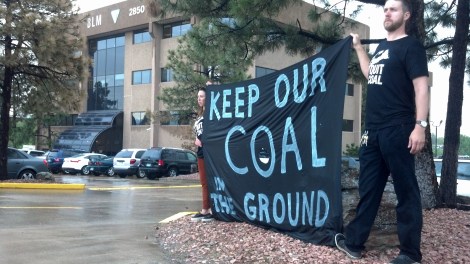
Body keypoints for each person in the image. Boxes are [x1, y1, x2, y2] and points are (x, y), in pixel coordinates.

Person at [335, 0, 429, 264]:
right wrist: (357, 48)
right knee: (369, 190)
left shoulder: (411, 47)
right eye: (385, 9)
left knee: (406, 192)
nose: (387, 12)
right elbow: (370, 74)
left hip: (398, 129)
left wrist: (419, 126)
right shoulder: (382, 48)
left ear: (407, 15)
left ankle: (410, 253)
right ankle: (354, 243)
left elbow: (422, 88)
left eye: (394, 9)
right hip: (373, 133)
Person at [190, 82, 214, 222]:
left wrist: (212, 88)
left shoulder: (211, 111)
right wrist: (196, 140)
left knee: (208, 182)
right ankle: (205, 209)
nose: (199, 99)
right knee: (203, 182)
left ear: (208, 97)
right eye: (198, 96)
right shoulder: (200, 114)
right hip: (200, 152)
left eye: (202, 96)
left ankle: (208, 210)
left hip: (208, 152)